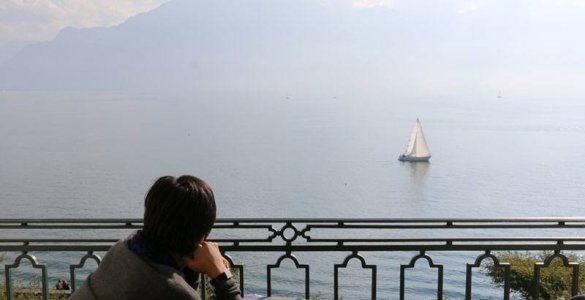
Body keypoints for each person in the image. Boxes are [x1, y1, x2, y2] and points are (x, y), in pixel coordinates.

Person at [70, 175, 242, 300]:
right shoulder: (173, 291)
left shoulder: (124, 249)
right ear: (202, 238)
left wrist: (188, 267)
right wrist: (221, 277)